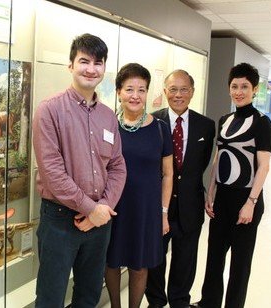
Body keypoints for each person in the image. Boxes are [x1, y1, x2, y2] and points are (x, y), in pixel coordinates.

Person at [32, 33, 127, 308]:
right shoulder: (49, 110)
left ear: (104, 69)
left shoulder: (109, 115)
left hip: (99, 221)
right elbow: (52, 171)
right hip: (60, 221)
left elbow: (118, 165)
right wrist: (90, 209)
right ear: (70, 65)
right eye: (84, 61)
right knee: (51, 297)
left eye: (98, 63)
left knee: (88, 295)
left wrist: (103, 208)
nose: (91, 68)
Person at [193, 62, 271, 308]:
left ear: (255, 90)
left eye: (245, 87)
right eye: (234, 86)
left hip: (246, 200)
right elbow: (219, 157)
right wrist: (212, 191)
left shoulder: (262, 122)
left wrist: (251, 203)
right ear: (229, 88)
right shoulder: (225, 120)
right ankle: (209, 302)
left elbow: (263, 166)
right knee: (214, 257)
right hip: (223, 198)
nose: (239, 91)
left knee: (240, 263)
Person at [105, 63, 174, 308]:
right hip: (114, 205)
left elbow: (168, 174)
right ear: (118, 92)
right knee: (111, 261)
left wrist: (163, 212)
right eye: (129, 89)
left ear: (147, 93)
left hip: (145, 208)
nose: (135, 95)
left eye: (141, 90)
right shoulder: (108, 126)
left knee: (139, 263)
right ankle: (115, 306)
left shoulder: (160, 129)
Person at [145, 70, 215, 308]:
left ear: (192, 92)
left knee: (185, 261)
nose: (178, 95)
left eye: (184, 89)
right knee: (155, 261)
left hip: (190, 206)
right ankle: (156, 302)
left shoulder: (206, 126)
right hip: (158, 207)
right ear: (165, 92)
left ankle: (179, 302)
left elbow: (200, 165)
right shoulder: (151, 122)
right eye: (173, 89)